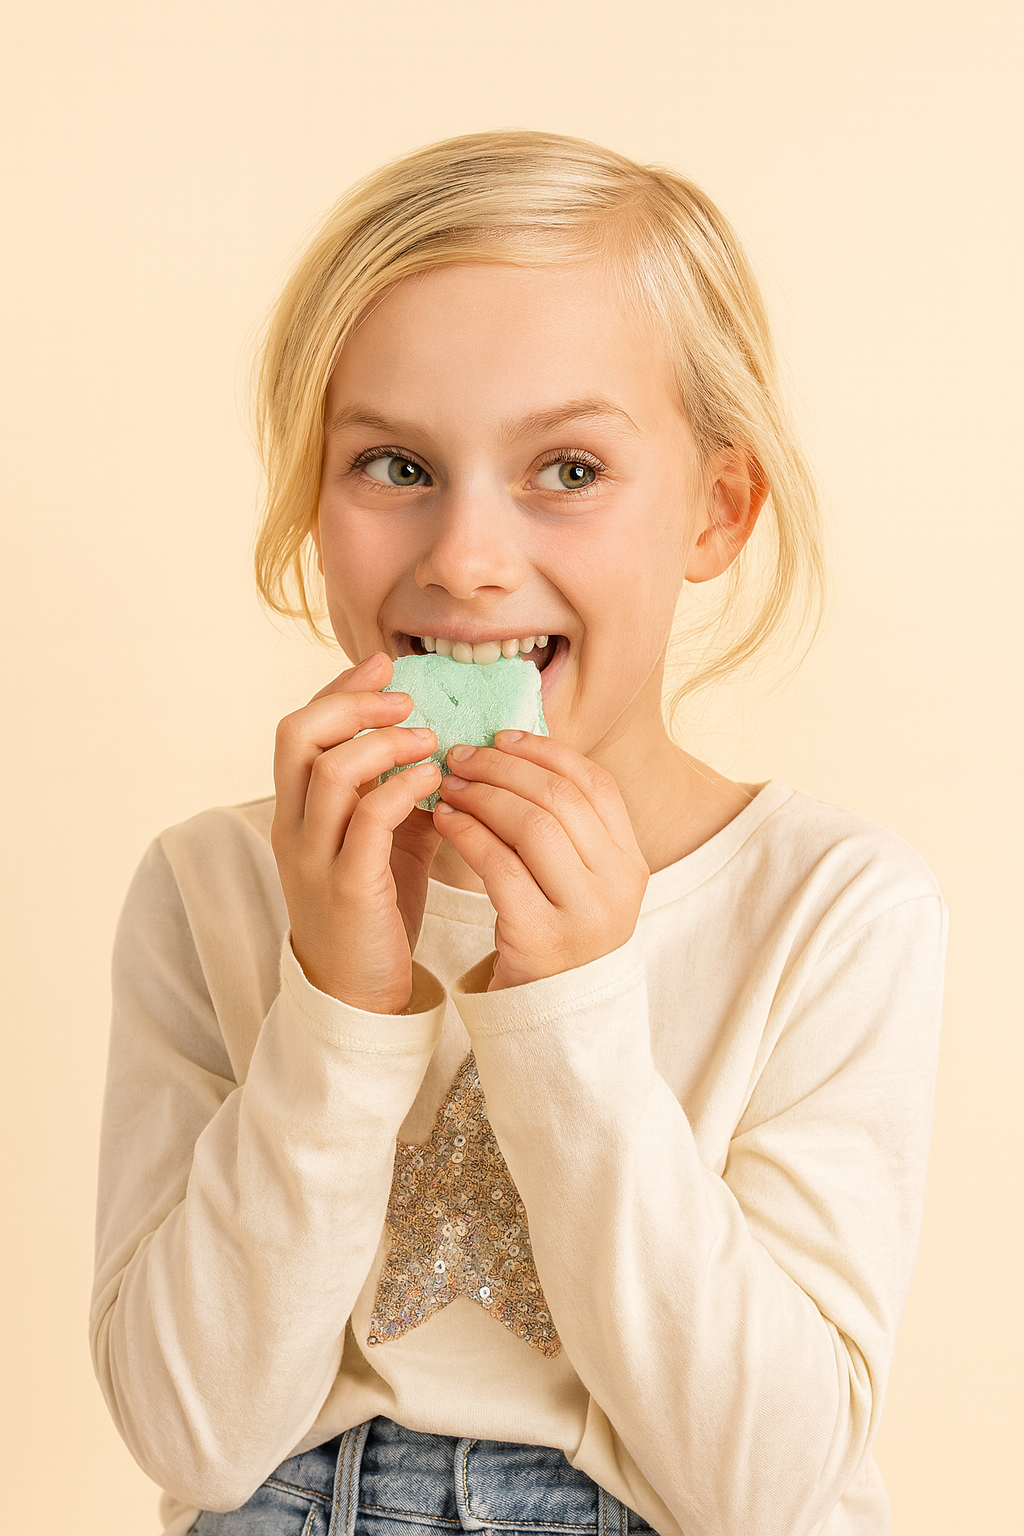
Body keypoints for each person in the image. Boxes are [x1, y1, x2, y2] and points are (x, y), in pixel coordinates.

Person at [90, 131, 947, 1536]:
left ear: (716, 511)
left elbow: (770, 1484)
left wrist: (573, 1009)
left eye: (568, 469)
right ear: (313, 501)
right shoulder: (216, 889)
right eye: (394, 464)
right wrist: (337, 1002)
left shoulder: (833, 909)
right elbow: (194, 1432)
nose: (468, 560)